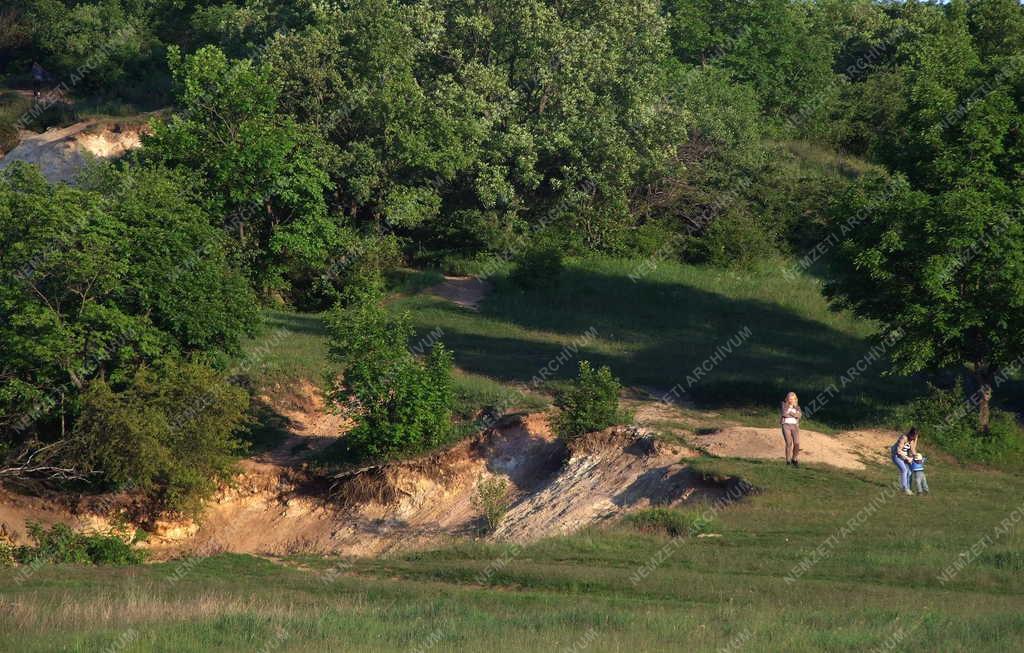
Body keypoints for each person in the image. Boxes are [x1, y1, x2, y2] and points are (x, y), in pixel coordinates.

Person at [891, 427, 919, 495]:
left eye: (916, 436)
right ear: (911, 434)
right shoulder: (904, 438)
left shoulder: (912, 439)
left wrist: (917, 457)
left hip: (905, 457)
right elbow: (898, 451)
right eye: (914, 436)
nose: (915, 438)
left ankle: (907, 488)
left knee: (909, 472)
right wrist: (907, 458)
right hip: (896, 456)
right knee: (904, 470)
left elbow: (912, 450)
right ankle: (905, 488)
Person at [780, 391, 801, 467]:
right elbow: (784, 414)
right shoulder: (784, 405)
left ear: (795, 399)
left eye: (792, 399)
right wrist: (794, 414)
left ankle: (794, 459)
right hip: (786, 425)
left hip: (795, 426)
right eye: (789, 399)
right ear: (787, 399)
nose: (791, 400)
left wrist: (791, 414)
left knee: (797, 443)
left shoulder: (797, 407)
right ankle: (788, 461)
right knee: (789, 443)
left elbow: (799, 416)